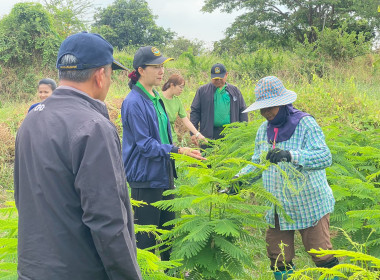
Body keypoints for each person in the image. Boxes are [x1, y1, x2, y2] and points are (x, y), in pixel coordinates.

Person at [14, 32, 142, 280]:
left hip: (32, 269)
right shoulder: (94, 126)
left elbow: (23, 197)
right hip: (80, 271)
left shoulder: (30, 120)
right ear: (100, 75)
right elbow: (107, 221)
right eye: (110, 73)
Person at [237, 76, 338, 280]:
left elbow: (325, 156)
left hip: (309, 204)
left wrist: (291, 156)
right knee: (278, 257)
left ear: (283, 104)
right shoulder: (263, 130)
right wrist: (238, 180)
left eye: (270, 108)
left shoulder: (305, 124)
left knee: (322, 256)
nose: (265, 113)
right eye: (262, 109)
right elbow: (257, 162)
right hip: (278, 207)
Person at [121, 46, 205, 261]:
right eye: (156, 67)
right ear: (140, 69)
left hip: (164, 175)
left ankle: (169, 274)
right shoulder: (133, 102)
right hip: (146, 179)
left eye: (162, 66)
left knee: (169, 237)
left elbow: (162, 139)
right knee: (146, 242)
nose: (161, 71)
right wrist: (179, 150)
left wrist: (178, 151)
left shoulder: (156, 97)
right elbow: (145, 145)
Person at [190, 63, 248, 147]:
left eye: (220, 78)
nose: (218, 80)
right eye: (215, 78)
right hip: (208, 135)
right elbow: (195, 112)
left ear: (226, 75)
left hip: (231, 134)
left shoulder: (234, 91)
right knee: (208, 158)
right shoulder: (202, 91)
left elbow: (242, 111)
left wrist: (244, 131)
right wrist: (193, 133)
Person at [161, 74, 206, 145]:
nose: (182, 90)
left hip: (172, 139)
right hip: (159, 139)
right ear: (172, 85)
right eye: (180, 87)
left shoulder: (177, 101)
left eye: (183, 87)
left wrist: (198, 134)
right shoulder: (157, 97)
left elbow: (186, 121)